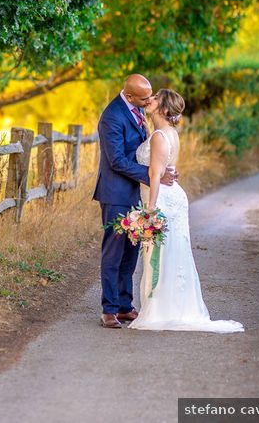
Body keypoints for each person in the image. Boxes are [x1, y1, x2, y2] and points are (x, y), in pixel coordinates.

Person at [128, 89, 244, 333]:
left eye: (156, 99)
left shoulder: (160, 135)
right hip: (173, 197)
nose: (150, 100)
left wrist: (149, 210)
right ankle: (173, 307)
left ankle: (162, 311)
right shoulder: (169, 133)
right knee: (173, 254)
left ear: (165, 109)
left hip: (162, 200)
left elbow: (155, 175)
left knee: (160, 255)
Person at [93, 75, 177, 329]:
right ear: (129, 96)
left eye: (150, 96)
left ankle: (124, 305)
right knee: (113, 252)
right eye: (144, 98)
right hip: (114, 194)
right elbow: (116, 160)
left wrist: (162, 170)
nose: (149, 101)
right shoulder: (112, 117)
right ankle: (108, 310)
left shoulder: (136, 110)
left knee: (131, 250)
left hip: (131, 193)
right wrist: (154, 177)